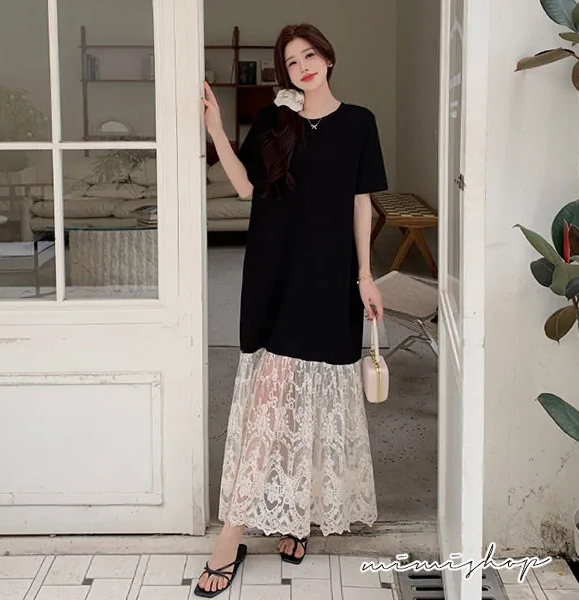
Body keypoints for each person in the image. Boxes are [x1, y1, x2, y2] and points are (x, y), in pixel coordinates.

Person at [195, 22, 388, 598]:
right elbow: (245, 188)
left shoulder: (360, 122)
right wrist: (216, 129)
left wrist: (365, 276)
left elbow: (361, 202)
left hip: (330, 282)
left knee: (314, 402)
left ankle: (293, 515)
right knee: (272, 400)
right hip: (275, 276)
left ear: (328, 57)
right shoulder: (275, 120)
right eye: (292, 61)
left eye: (310, 55)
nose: (302, 67)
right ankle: (231, 536)